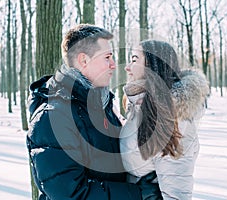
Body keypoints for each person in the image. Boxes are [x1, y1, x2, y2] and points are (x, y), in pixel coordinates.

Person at [26, 24, 161, 200]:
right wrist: (138, 194)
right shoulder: (52, 117)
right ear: (84, 60)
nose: (114, 64)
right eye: (107, 57)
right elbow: (70, 194)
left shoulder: (103, 106)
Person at [120, 40, 209, 200]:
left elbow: (176, 190)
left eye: (134, 60)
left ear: (153, 65)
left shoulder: (173, 117)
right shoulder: (142, 105)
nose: (127, 67)